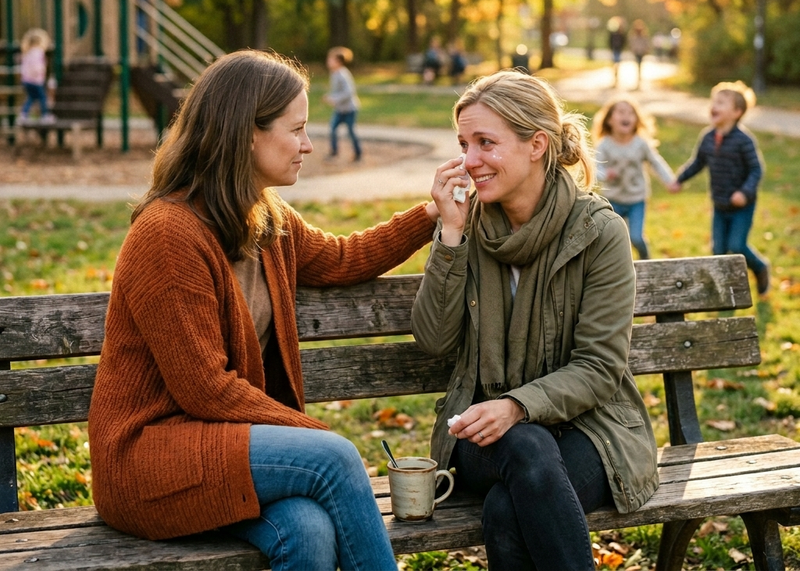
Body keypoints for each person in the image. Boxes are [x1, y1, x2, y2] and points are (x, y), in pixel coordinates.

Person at [87, 50, 439, 571]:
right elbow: (205, 388)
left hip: (222, 457)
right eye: (296, 129)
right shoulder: (168, 235)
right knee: (337, 459)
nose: (309, 144)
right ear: (247, 133)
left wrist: (430, 214)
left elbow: (341, 258)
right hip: (149, 463)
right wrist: (318, 437)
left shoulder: (265, 217)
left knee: (309, 531)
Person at [411, 70, 658, 571]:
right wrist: (451, 235)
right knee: (524, 444)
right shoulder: (469, 227)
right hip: (481, 432)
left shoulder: (598, 233)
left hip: (591, 427)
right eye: (463, 144)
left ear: (537, 145)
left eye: (486, 142)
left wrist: (518, 405)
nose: (469, 160)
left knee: (507, 508)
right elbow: (435, 340)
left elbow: (599, 366)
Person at [668, 80, 770, 295]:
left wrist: (744, 192)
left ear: (737, 111)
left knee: (738, 245)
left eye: (722, 103)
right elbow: (698, 162)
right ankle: (725, 293)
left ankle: (761, 268)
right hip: (720, 204)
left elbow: (756, 170)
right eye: (713, 101)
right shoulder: (707, 137)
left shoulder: (744, 140)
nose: (714, 106)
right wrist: (679, 179)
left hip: (742, 206)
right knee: (718, 250)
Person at [592, 96, 675, 259]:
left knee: (636, 237)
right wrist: (605, 174)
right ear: (609, 120)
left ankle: (646, 260)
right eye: (621, 112)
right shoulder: (604, 144)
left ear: (636, 120)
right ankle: (616, 268)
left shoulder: (640, 144)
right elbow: (594, 168)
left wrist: (670, 180)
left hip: (636, 199)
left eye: (631, 113)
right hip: (612, 199)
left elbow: (656, 162)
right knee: (610, 238)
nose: (626, 116)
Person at [323, 46, 362, 162]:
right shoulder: (334, 74)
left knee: (351, 131)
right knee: (333, 129)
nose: (327, 62)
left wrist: (334, 99)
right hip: (340, 109)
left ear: (338, 61)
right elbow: (337, 91)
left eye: (330, 60)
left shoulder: (343, 74)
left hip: (349, 109)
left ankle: (358, 153)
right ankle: (334, 152)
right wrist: (330, 97)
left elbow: (349, 92)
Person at [19, 27, 54, 123]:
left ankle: (24, 114)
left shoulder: (27, 53)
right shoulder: (38, 52)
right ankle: (45, 115)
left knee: (31, 97)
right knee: (43, 97)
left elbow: (24, 67)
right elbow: (37, 67)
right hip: (35, 80)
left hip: (26, 80)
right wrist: (42, 69)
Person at [628, 20, 650, 90]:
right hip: (637, 52)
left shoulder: (644, 36)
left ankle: (639, 81)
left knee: (639, 66)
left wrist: (645, 49)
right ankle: (638, 80)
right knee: (638, 66)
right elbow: (632, 44)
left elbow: (646, 44)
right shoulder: (633, 36)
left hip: (641, 52)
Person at [607, 17, 626, 87]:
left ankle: (616, 74)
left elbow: (623, 41)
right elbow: (610, 41)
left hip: (618, 50)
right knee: (615, 62)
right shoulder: (612, 33)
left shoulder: (621, 34)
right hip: (614, 49)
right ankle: (615, 74)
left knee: (616, 62)